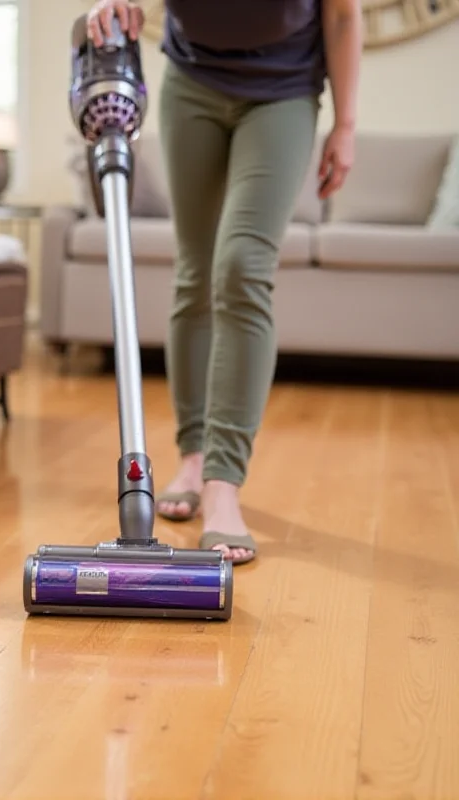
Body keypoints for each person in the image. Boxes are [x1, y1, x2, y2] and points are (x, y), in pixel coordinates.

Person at [87, 0, 361, 564]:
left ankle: (223, 482)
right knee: (195, 272)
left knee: (241, 268)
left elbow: (340, 15)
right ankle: (192, 455)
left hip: (283, 91)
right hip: (192, 83)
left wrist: (347, 124)